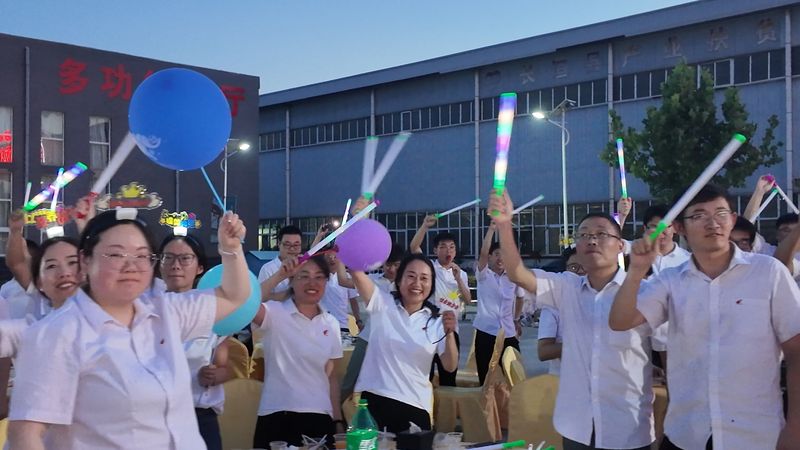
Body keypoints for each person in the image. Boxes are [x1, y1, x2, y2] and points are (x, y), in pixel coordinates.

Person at [9, 208, 250, 449]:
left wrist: (231, 249)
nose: (131, 266)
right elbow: (26, 433)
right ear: (85, 260)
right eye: (116, 255)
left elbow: (233, 296)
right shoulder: (56, 334)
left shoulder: (166, 312)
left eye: (142, 255)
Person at [610, 184, 800, 449]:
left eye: (721, 213)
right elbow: (621, 321)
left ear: (732, 219)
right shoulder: (671, 281)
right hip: (688, 433)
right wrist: (636, 272)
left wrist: (795, 428)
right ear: (680, 227)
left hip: (756, 434)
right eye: (699, 215)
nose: (713, 223)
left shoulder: (768, 272)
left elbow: (796, 351)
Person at [490, 189, 654, 450]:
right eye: (584, 235)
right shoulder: (566, 288)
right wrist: (504, 224)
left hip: (627, 427)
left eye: (601, 234)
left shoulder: (645, 292)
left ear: (620, 245)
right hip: (577, 426)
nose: (592, 240)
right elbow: (518, 273)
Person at [350, 253, 458, 433]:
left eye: (424, 278)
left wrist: (450, 334)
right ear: (399, 280)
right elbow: (356, 272)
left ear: (431, 285)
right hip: (375, 401)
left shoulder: (436, 321)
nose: (417, 283)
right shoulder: (382, 304)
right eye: (411, 276)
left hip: (416, 405)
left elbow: (450, 365)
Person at [252, 255, 344, 448]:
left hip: (319, 415)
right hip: (278, 413)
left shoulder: (331, 323)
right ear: (292, 281)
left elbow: (331, 377)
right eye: (304, 276)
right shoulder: (275, 313)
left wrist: (337, 419)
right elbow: (246, 304)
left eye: (319, 277)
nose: (312, 283)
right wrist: (279, 275)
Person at [159, 234, 235, 450]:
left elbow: (225, 367)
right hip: (155, 416)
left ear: (200, 267)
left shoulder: (213, 310)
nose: (176, 265)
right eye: (168, 258)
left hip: (199, 418)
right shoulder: (143, 309)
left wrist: (215, 375)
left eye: (185, 259)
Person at [410, 216, 470, 386]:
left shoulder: (461, 274)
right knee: (424, 376)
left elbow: (468, 299)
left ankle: (447, 404)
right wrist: (424, 226)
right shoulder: (429, 268)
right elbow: (414, 247)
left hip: (450, 330)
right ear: (435, 250)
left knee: (449, 376)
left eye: (451, 247)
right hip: (428, 329)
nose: (448, 250)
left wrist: (458, 279)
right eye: (443, 247)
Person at [340, 244, 404, 401]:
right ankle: (339, 412)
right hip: (368, 338)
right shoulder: (373, 281)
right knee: (351, 379)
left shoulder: (407, 285)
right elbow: (343, 281)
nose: (392, 269)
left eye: (396, 265)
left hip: (393, 342)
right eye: (388, 264)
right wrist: (341, 255)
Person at [473, 223, 521, 385]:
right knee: (486, 378)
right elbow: (483, 252)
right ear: (490, 257)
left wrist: (516, 319)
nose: (500, 258)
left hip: (508, 332)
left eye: (504, 254)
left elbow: (520, 298)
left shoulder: (513, 277)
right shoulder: (483, 275)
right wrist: (492, 229)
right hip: (486, 332)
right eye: (496, 254)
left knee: (515, 376)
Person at [538, 249, 581, 376]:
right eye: (574, 267)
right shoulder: (553, 304)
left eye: (586, 266)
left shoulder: (603, 299)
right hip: (564, 379)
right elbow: (543, 352)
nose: (581, 272)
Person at [258, 225, 303, 297]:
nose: (292, 249)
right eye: (287, 245)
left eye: (296, 245)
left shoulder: (305, 266)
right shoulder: (267, 269)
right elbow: (259, 297)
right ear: (279, 244)